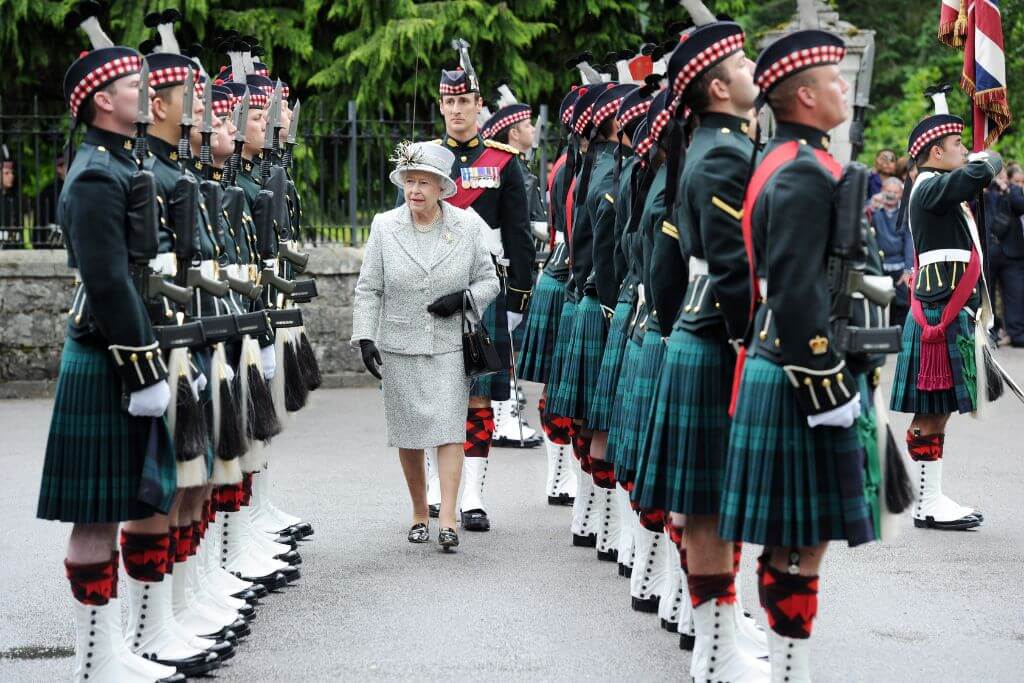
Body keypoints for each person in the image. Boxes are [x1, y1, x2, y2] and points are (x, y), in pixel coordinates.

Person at [37, 16, 222, 680]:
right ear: (99, 100)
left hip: (125, 349)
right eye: (129, 81)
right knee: (98, 512)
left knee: (123, 503)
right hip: (108, 352)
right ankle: (94, 659)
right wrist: (147, 366)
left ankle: (118, 644)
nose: (144, 89)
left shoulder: (121, 161)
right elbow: (110, 281)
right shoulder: (92, 173)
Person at [718, 29, 877, 681]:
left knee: (795, 538)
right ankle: (790, 672)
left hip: (782, 364)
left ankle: (790, 668)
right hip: (797, 369)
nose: (845, 89)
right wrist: (826, 381)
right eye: (836, 80)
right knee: (799, 543)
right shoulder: (801, 171)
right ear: (806, 96)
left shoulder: (785, 158)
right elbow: (792, 287)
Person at [642, 20, 768, 681]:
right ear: (719, 87)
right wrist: (759, 339)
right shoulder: (721, 153)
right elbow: (732, 268)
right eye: (744, 64)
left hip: (706, 335)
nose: (754, 71)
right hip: (718, 337)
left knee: (712, 503)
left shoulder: (720, 143)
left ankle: (721, 642)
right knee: (712, 505)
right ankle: (716, 654)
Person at [352, 141, 500, 550]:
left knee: (450, 431)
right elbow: (369, 289)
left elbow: (490, 281)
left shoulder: (467, 227)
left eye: (423, 182)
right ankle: (420, 512)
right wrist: (365, 336)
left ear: (441, 188)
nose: (414, 190)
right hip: (399, 345)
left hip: (449, 346)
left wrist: (464, 299)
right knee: (410, 434)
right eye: (408, 181)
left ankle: (448, 517)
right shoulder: (384, 226)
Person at [421, 55, 535, 533]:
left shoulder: (502, 162)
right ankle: (433, 485)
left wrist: (517, 302)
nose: (457, 111)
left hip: (485, 292)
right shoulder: (423, 159)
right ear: (441, 105)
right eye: (449, 102)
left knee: (478, 398)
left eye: (465, 101)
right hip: (430, 290)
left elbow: (519, 236)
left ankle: (472, 495)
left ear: (478, 105)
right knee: (433, 394)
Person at [889, 97, 1002, 532]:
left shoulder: (938, 187)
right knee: (932, 412)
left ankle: (929, 500)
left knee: (938, 411)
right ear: (936, 152)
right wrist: (985, 154)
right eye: (957, 143)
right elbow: (980, 171)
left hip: (953, 310)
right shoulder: (929, 186)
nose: (963, 150)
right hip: (940, 314)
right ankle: (927, 502)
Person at [480, 96, 545, 448]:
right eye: (529, 124)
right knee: (496, 354)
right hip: (493, 268)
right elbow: (522, 227)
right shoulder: (510, 167)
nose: (533, 130)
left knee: (500, 352)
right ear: (514, 131)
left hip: (500, 267)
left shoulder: (515, 165)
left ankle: (505, 414)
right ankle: (502, 418)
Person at [984, 162, 1024, 347]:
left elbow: (1020, 206)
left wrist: (1008, 188)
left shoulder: (1014, 190)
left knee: (1015, 294)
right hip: (989, 251)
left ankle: (1017, 334)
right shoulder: (981, 190)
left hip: (1012, 253)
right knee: (988, 295)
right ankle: (989, 332)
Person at [872, 176, 915, 327]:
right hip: (879, 265)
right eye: (887, 191)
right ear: (882, 191)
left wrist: (908, 269)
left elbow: (909, 241)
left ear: (901, 194)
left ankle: (899, 339)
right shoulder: (873, 209)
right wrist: (870, 207)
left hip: (900, 266)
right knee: (878, 303)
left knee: (902, 304)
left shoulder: (906, 211)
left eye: (895, 192)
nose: (891, 194)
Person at [37, 149, 68, 229]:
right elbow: (42, 221)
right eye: (68, 165)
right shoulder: (48, 192)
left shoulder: (78, 188)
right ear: (59, 168)